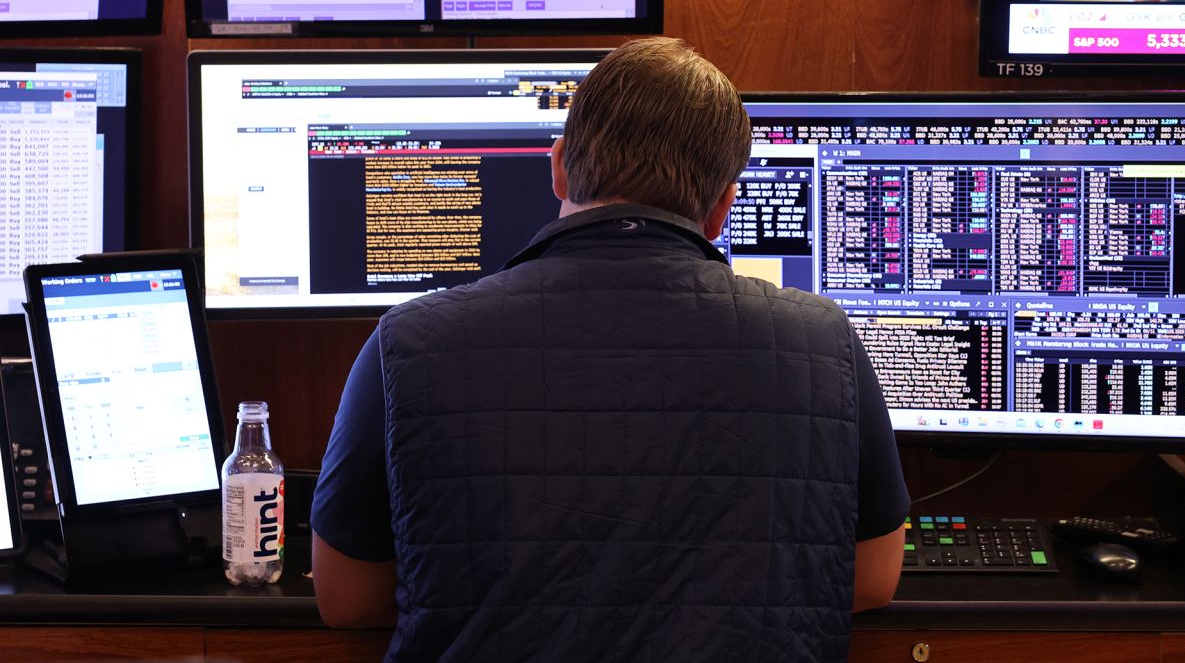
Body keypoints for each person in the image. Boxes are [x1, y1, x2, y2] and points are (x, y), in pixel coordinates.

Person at [310, 37, 909, 662]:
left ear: (559, 165)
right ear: (723, 208)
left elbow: (347, 601)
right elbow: (870, 580)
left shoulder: (408, 341)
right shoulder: (823, 340)